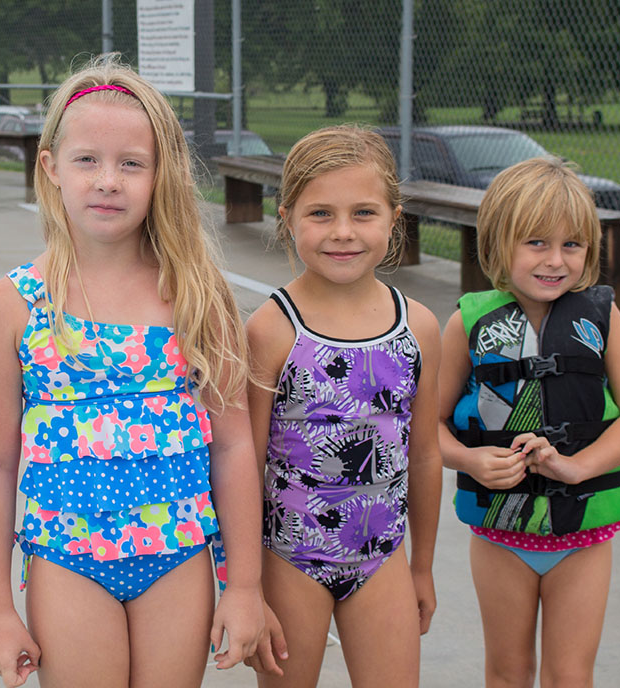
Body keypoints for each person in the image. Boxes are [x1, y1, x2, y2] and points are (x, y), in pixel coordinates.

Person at [0, 55, 266, 688]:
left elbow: (234, 446)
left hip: (177, 556)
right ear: (50, 167)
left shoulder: (195, 294)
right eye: (87, 160)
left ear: (161, 175)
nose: (108, 181)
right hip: (67, 559)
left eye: (131, 164)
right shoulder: (16, 304)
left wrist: (244, 586)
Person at [438, 157, 620, 687]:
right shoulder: (467, 322)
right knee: (508, 672)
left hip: (584, 537)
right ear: (499, 242)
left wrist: (580, 467)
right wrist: (469, 459)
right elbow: (428, 426)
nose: (556, 260)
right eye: (536, 243)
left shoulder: (602, 317)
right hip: (500, 534)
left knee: (570, 675)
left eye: (572, 245)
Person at [244, 124, 443, 687]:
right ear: (287, 217)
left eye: (363, 213)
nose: (343, 232)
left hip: (383, 558)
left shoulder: (419, 327)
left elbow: (425, 456)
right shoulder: (272, 330)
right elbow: (244, 464)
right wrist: (245, 585)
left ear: (393, 219)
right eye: (320, 214)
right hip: (290, 558)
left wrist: (422, 567)